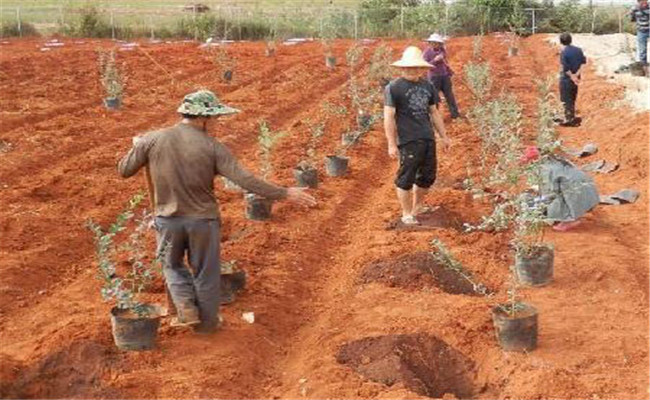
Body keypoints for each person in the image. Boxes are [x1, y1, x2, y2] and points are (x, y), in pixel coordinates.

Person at [117, 90, 316, 334]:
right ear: (203, 118)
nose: (217, 123)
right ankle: (207, 325)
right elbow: (244, 179)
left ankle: (185, 307)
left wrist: (137, 148)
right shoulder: (212, 147)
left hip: (167, 220)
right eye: (216, 119)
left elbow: (124, 170)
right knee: (205, 273)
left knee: (171, 266)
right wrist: (284, 193)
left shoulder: (153, 139)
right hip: (203, 222)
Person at [384, 46, 451, 226]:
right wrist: (391, 144)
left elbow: (434, 113)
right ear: (402, 68)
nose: (412, 71)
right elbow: (389, 117)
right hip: (408, 140)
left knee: (427, 176)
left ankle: (416, 207)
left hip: (427, 138)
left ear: (422, 68)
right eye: (408, 68)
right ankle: (406, 213)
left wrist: (443, 136)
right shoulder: (394, 88)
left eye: (416, 67)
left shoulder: (427, 85)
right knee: (406, 176)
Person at [521, 146, 599, 232]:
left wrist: (546, 213)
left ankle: (569, 220)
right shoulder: (555, 160)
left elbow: (551, 192)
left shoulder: (546, 169)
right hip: (589, 194)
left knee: (551, 200)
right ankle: (574, 212)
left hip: (576, 195)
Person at [422, 33, 461, 120]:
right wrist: (434, 60)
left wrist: (449, 71)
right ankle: (434, 117)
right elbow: (425, 66)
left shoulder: (442, 50)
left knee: (449, 95)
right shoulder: (427, 53)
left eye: (438, 43)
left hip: (444, 76)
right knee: (434, 97)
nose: (436, 44)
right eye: (434, 43)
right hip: (434, 77)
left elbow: (445, 62)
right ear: (430, 43)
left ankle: (455, 114)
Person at [558, 33, 586, 127]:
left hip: (567, 79)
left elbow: (565, 68)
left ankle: (569, 119)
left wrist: (572, 77)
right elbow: (583, 63)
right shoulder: (578, 50)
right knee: (573, 97)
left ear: (561, 41)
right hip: (576, 79)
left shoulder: (564, 52)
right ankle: (571, 117)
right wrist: (576, 75)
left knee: (566, 98)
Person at [631, 0, 649, 71]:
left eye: (645, 1)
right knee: (642, 50)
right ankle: (643, 67)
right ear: (638, 2)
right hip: (641, 31)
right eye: (642, 1)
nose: (644, 3)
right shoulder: (634, 8)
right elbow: (632, 19)